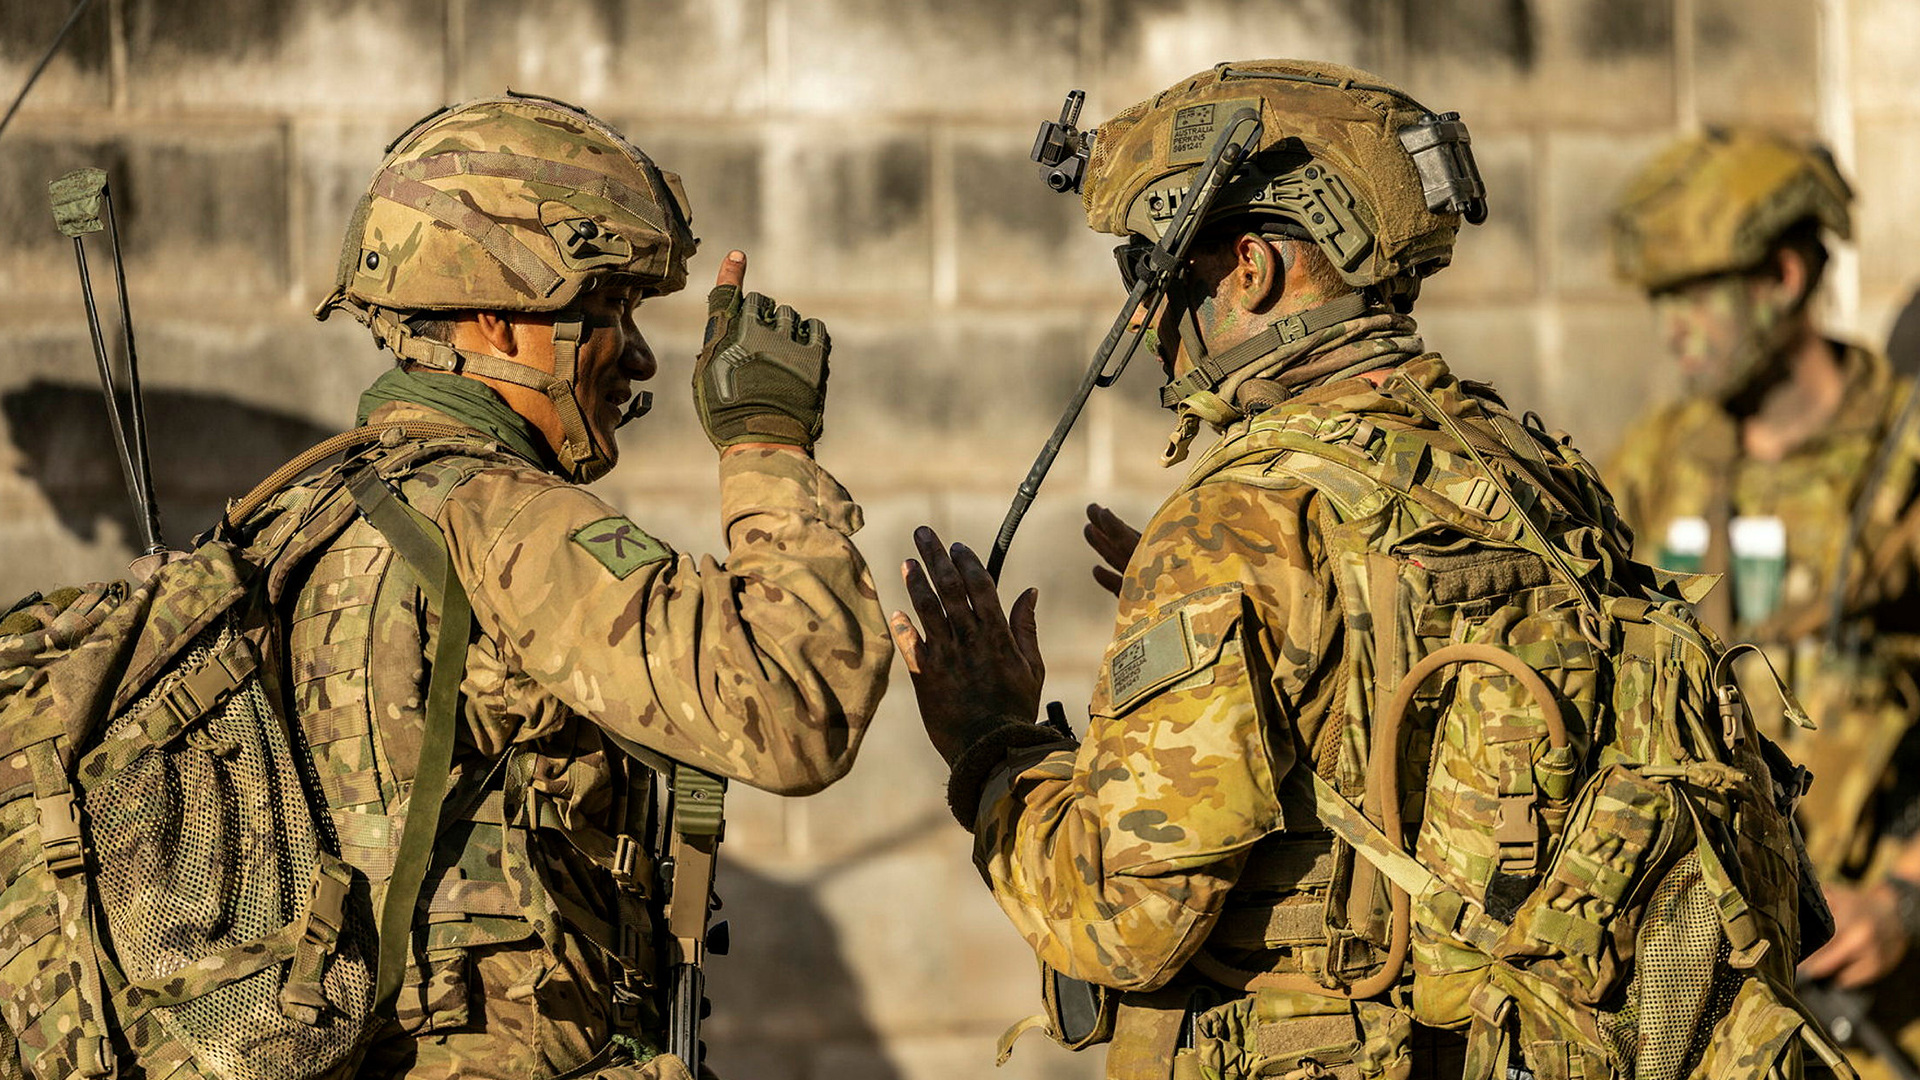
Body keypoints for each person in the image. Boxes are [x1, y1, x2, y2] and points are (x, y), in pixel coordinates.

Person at [887, 59, 1820, 1080]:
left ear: (1252, 269)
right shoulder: (1522, 466)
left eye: (1151, 271)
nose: (1147, 316)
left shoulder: (1240, 520)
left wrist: (992, 745)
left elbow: (1123, 921)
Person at [294, 94, 892, 1079]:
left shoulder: (305, 513)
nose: (642, 356)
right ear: (496, 317)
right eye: (609, 309)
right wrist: (767, 443)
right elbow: (795, 709)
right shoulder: (503, 522)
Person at [1608, 127, 1920, 1075]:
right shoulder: (1656, 461)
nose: (1672, 330)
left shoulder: (1902, 459)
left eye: (1693, 297)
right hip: (1715, 1001)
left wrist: (1906, 899)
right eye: (1660, 303)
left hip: (1881, 996)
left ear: (1782, 278)